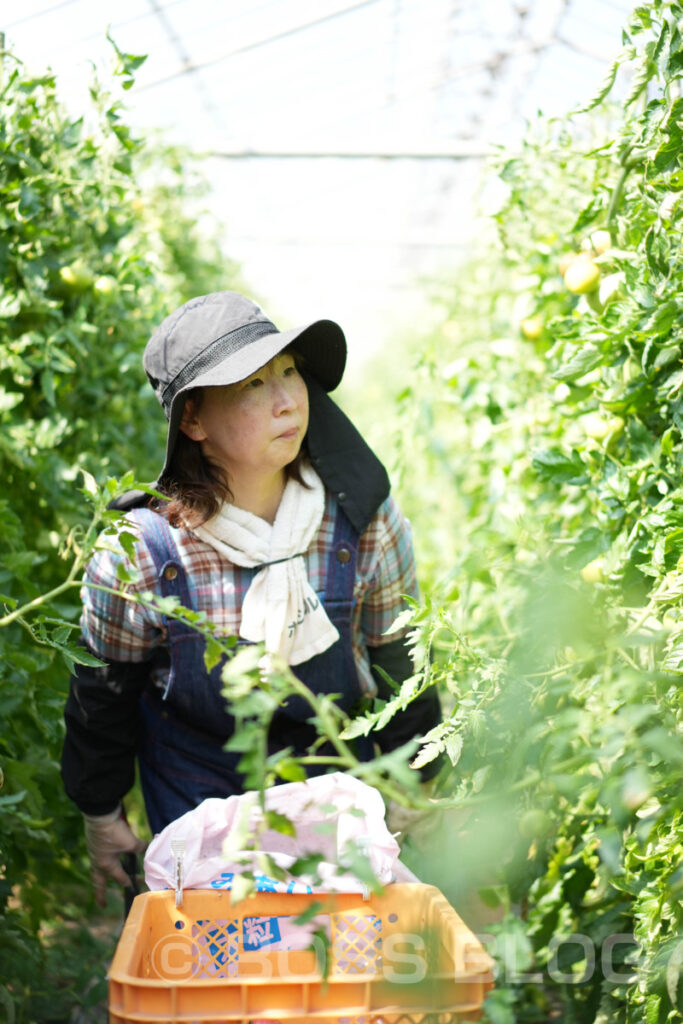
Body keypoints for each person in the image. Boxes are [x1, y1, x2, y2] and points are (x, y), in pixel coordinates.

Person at [61, 291, 442, 906]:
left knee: (334, 962)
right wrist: (100, 811)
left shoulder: (360, 522)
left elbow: (400, 660)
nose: (288, 400)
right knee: (225, 961)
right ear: (193, 421)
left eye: (289, 372)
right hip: (198, 795)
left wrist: (416, 782)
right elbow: (105, 691)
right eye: (252, 385)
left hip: (334, 775)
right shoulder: (145, 554)